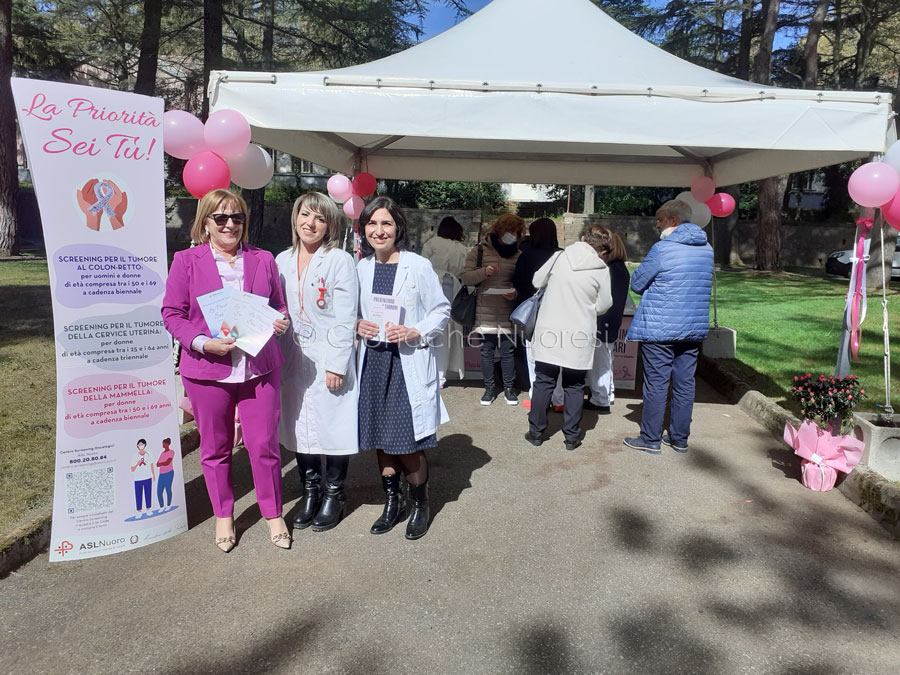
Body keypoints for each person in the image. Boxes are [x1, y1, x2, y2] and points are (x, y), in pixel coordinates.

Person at [162, 189, 292, 552]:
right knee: (215, 447)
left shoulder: (263, 258)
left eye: (237, 218)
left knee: (263, 444)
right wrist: (203, 342)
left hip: (259, 367)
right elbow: (171, 313)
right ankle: (223, 514)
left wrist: (280, 320)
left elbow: (279, 305)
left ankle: (272, 513)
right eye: (221, 218)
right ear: (205, 223)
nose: (230, 224)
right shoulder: (187, 261)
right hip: (208, 368)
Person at [355, 196, 450, 540]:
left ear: (398, 228)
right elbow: (351, 312)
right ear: (363, 229)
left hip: (405, 361)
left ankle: (421, 505)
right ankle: (392, 502)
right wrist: (357, 324)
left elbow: (440, 310)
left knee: (408, 442)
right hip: (374, 363)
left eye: (386, 224)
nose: (379, 231)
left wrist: (415, 330)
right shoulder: (361, 268)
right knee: (381, 438)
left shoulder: (417, 266)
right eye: (372, 224)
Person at [276, 192, 359, 533]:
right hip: (291, 356)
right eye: (305, 215)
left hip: (328, 354)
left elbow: (346, 314)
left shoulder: (338, 260)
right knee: (300, 427)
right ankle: (310, 490)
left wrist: (337, 363)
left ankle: (334, 494)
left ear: (329, 226)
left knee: (333, 427)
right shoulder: (280, 259)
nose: (310, 223)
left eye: (320, 218)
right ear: (295, 218)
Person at [624, 199, 713, 454]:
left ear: (673, 220)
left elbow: (638, 283)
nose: (656, 224)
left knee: (656, 382)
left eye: (660, 219)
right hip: (692, 327)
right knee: (685, 383)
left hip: (660, 327)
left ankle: (650, 438)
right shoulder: (707, 249)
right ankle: (679, 438)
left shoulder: (662, 249)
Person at [526, 229, 613, 451]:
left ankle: (536, 432)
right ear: (601, 249)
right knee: (574, 385)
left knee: (544, 381)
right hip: (579, 332)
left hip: (549, 329)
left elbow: (537, 281)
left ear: (583, 240)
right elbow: (604, 305)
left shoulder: (558, 257)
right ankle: (571, 437)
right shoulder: (601, 268)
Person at [461, 213, 524, 406]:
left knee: (508, 352)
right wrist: (483, 272)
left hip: (507, 309)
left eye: (516, 232)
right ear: (500, 231)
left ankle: (509, 389)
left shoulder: (519, 253)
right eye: (510, 231)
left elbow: (523, 281)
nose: (513, 235)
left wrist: (515, 293)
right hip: (485, 309)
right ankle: (489, 389)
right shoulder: (480, 250)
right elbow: (465, 277)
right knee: (486, 351)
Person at [513, 217, 563, 411]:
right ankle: (559, 400)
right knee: (558, 356)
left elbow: (518, 281)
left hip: (532, 312)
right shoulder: (561, 255)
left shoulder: (526, 255)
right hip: (557, 310)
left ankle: (536, 398)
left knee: (532, 355)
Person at [585, 229, 631, 413]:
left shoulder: (610, 270)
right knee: (605, 359)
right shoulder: (620, 269)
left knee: (600, 362)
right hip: (612, 320)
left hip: (603, 320)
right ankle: (606, 393)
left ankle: (600, 398)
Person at [421, 216, 468, 387]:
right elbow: (465, 271)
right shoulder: (462, 248)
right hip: (453, 288)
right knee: (448, 332)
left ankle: (427, 371)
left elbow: (422, 265)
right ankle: (441, 375)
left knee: (427, 327)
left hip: (432, 284)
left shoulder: (431, 244)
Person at [130, 439, 154, 514]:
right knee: (138, 495)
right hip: (138, 478)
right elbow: (132, 469)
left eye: (142, 444)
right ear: (137, 446)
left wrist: (153, 475)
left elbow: (151, 465)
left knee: (148, 493)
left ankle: (148, 509)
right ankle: (139, 511)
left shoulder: (149, 454)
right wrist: (138, 463)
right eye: (139, 445)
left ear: (145, 445)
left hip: (147, 476)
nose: (141, 446)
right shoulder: (134, 456)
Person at [156, 437, 175, 510]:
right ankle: (161, 506)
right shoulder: (162, 453)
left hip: (169, 473)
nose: (163, 445)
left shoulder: (171, 452)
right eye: (162, 443)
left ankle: (169, 505)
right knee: (159, 491)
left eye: (164, 443)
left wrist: (162, 463)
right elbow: (157, 464)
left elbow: (168, 462)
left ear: (167, 444)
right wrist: (162, 463)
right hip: (161, 474)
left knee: (168, 489)